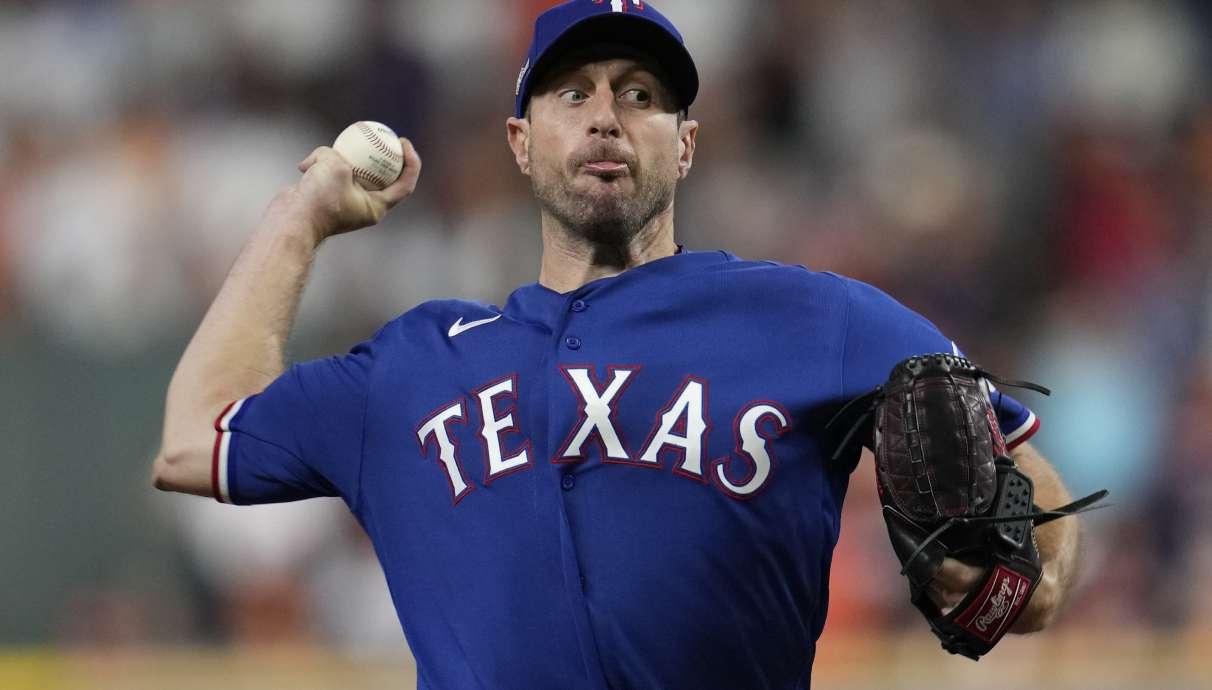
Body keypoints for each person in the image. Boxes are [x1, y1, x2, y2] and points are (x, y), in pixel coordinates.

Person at [152, 2, 1084, 688]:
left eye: (642, 96)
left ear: (684, 145)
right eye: (574, 91)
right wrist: (298, 218)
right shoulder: (413, 364)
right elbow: (197, 437)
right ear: (521, 140)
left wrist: (1016, 576)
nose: (607, 115)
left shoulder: (815, 317)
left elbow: (1029, 495)